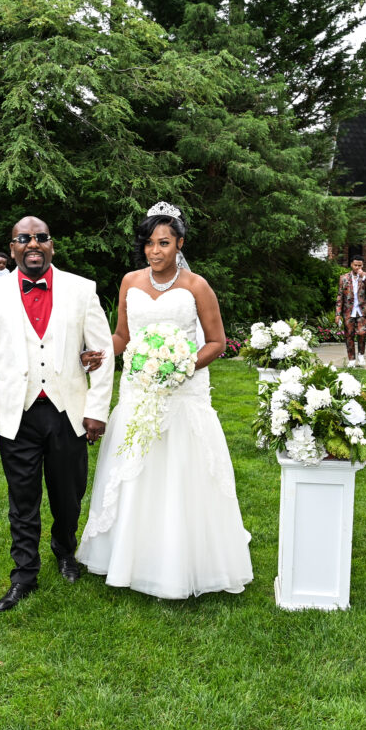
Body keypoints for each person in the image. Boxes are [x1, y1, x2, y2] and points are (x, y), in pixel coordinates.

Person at [76, 202, 254, 599]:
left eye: (164, 243)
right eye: (149, 244)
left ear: (179, 244)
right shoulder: (129, 282)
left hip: (182, 393)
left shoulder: (196, 286)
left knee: (179, 471)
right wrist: (102, 351)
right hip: (138, 390)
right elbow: (122, 336)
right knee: (137, 472)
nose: (155, 252)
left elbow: (217, 343)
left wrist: (182, 365)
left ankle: (181, 560)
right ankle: (130, 556)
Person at [0, 215, 114, 612]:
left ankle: (65, 549)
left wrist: (97, 409)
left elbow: (103, 356)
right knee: (23, 497)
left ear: (52, 244)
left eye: (41, 238)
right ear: (12, 247)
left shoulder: (82, 290)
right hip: (17, 414)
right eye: (23, 239)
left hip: (68, 411)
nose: (33, 244)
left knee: (68, 494)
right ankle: (24, 575)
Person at [335, 255, 366, 368]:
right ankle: (351, 359)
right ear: (351, 264)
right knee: (349, 335)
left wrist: (364, 278)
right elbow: (340, 296)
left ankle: (361, 355)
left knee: (362, 333)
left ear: (362, 265)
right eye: (355, 265)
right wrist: (337, 314)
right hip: (348, 311)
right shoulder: (344, 278)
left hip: (361, 311)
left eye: (360, 265)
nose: (357, 267)